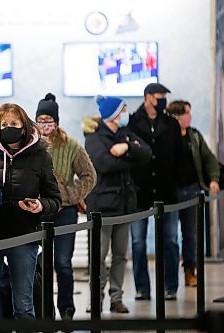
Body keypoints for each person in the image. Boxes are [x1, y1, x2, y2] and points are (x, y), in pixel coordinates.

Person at [0, 103, 62, 320]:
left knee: (23, 304)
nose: (8, 128)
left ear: (24, 126)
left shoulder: (40, 155)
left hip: (25, 236)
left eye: (13, 124)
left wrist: (40, 205)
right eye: (3, 124)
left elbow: (54, 198)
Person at [85, 96, 151, 313]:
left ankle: (116, 298)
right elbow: (105, 163)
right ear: (113, 114)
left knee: (121, 256)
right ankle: (96, 298)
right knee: (99, 257)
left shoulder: (124, 135)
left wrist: (126, 147)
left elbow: (146, 153)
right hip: (102, 208)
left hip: (124, 206)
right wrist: (131, 154)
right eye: (123, 110)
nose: (126, 114)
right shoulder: (94, 138)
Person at [35, 93, 96, 320]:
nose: (45, 124)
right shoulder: (30, 145)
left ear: (56, 122)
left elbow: (89, 175)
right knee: (40, 263)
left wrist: (72, 194)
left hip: (65, 212)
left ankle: (67, 308)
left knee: (62, 262)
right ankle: (44, 309)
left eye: (49, 120)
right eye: (40, 120)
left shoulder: (71, 145)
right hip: (38, 212)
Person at [127, 83, 184, 300]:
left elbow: (179, 156)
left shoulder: (170, 124)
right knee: (138, 242)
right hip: (139, 193)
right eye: (160, 97)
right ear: (148, 97)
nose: (163, 101)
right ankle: (142, 288)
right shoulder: (132, 123)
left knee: (170, 240)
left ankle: (170, 287)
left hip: (167, 192)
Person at [166, 100, 220, 287]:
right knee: (170, 237)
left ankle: (190, 271)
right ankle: (169, 279)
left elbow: (209, 159)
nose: (189, 117)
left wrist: (213, 179)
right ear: (175, 116)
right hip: (171, 194)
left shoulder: (194, 136)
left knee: (191, 235)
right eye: (186, 113)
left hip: (191, 191)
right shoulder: (166, 137)